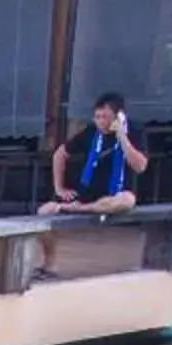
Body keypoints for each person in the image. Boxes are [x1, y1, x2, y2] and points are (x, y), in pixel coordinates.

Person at [39, 92, 150, 275]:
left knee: (127, 200)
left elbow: (140, 166)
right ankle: (49, 264)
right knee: (43, 212)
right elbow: (60, 154)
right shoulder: (91, 132)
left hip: (116, 194)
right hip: (86, 194)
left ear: (118, 116)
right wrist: (60, 188)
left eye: (105, 117)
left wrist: (122, 136)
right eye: (97, 117)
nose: (100, 122)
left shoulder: (135, 132)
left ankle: (78, 209)